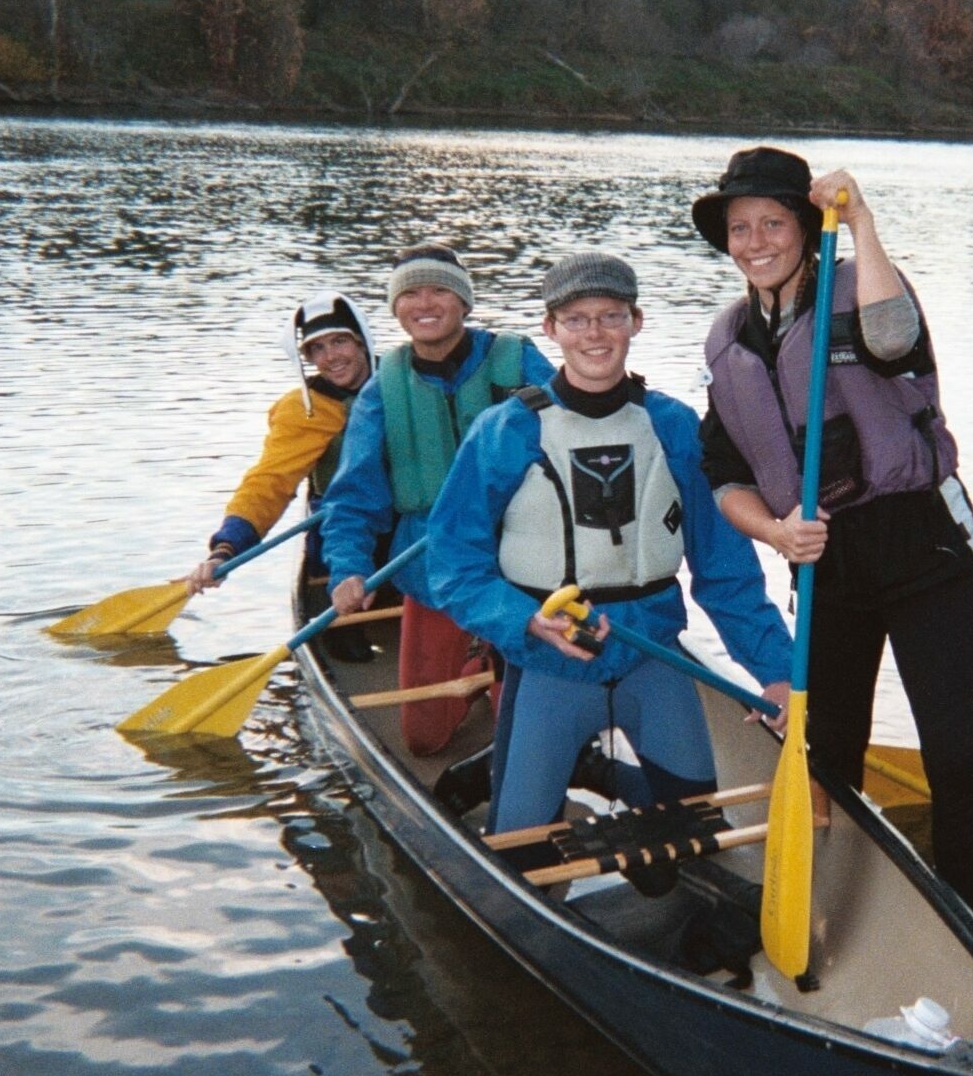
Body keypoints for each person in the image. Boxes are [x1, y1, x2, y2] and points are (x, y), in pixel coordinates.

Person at [690, 146, 973, 920]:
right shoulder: (727, 342)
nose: (756, 241)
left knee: (953, 757)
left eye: (773, 222)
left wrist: (860, 222)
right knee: (829, 751)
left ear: (806, 226)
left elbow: (894, 343)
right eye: (740, 227)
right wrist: (777, 532)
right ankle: (831, 907)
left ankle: (971, 929)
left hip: (923, 553)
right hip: (825, 568)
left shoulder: (863, 285)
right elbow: (726, 476)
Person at [423, 251, 793, 846]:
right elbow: (452, 562)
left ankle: (603, 775)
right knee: (522, 859)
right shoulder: (504, 430)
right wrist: (521, 620)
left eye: (611, 316)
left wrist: (777, 671)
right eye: (575, 319)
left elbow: (726, 572)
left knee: (693, 841)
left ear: (636, 322)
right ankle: (554, 775)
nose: (594, 334)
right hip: (549, 666)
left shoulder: (674, 427)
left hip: (654, 660)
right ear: (550, 329)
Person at [321, 243, 556, 754]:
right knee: (423, 740)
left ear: (464, 302)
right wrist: (346, 568)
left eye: (439, 290)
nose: (424, 303)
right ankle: (477, 665)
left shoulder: (518, 360)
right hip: (434, 568)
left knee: (526, 726)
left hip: (525, 565)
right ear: (395, 308)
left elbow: (576, 438)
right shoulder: (383, 388)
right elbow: (353, 496)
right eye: (410, 293)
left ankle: (499, 672)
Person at [185, 291, 377, 658]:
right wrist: (226, 548)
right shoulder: (303, 411)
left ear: (362, 342)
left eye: (340, 341)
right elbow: (269, 483)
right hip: (339, 530)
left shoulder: (405, 383)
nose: (331, 357)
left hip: (409, 525)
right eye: (317, 350)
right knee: (349, 652)